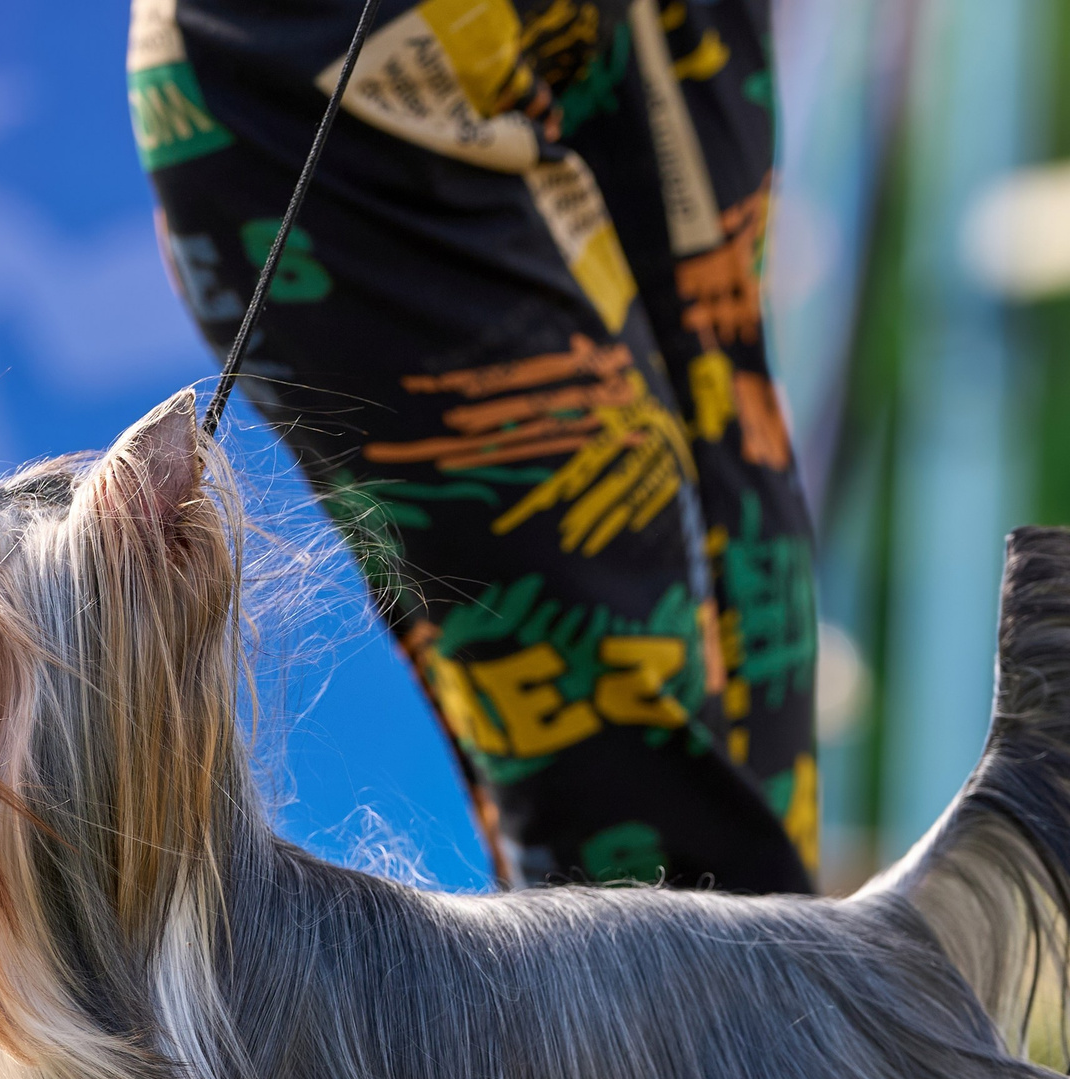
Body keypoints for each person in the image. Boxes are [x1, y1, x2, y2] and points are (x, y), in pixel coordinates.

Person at [132, 0, 819, 892]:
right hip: (331, 57)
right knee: (615, 693)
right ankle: (708, 1017)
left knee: (731, 531)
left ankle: (810, 1002)